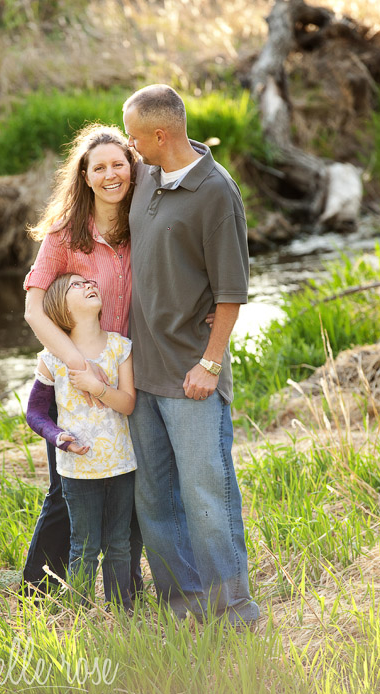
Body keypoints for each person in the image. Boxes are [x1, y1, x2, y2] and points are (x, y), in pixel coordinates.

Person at [122, 84, 259, 625]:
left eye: (134, 136)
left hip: (190, 374)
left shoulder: (216, 193)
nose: (129, 145)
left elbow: (231, 291)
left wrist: (210, 363)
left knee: (207, 495)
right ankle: (184, 608)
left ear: (160, 134)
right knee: (155, 497)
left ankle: (236, 611)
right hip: (142, 372)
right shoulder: (145, 177)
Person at [22, 124, 144, 596]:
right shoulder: (64, 233)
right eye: (100, 167)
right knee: (63, 491)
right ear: (86, 175)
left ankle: (124, 589)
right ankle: (38, 591)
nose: (111, 174)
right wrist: (77, 366)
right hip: (73, 372)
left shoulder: (142, 223)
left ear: (132, 168)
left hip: (126, 370)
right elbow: (34, 309)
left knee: (128, 483)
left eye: (120, 164)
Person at [24, 273, 137, 608]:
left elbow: (128, 403)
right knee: (84, 547)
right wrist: (58, 437)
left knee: (119, 544)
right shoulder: (51, 358)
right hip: (77, 471)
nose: (90, 284)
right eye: (77, 284)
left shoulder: (120, 346)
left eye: (90, 281)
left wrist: (96, 386)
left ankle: (123, 614)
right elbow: (34, 412)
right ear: (60, 306)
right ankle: (81, 616)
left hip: (121, 465)